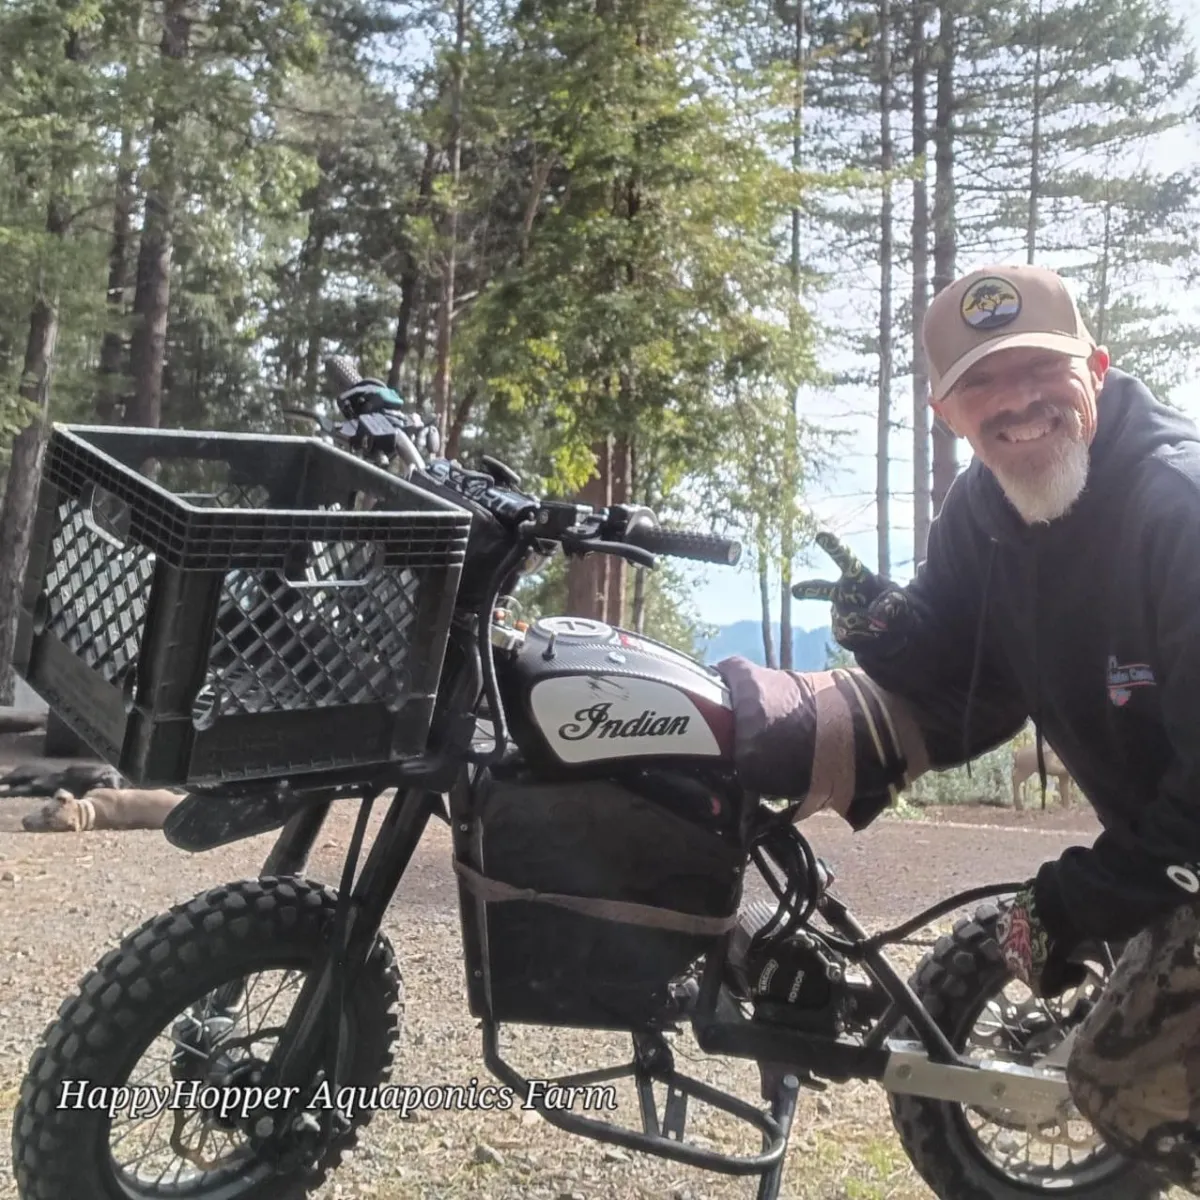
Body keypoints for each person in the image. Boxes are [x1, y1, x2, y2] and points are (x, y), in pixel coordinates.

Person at [717, 262, 1200, 1192]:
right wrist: (888, 629)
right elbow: (961, 670)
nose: (1015, 402)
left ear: (1096, 366)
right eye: (980, 381)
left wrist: (1075, 900)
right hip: (1174, 843)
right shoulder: (986, 507)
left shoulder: (1175, 509)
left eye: (1039, 369)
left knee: (1129, 1075)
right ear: (946, 410)